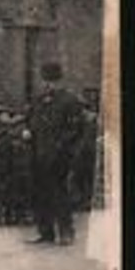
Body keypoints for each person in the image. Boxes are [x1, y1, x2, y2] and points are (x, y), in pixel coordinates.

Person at [27, 61, 85, 246]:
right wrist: (28, 131)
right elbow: (32, 121)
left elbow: (75, 129)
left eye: (52, 81)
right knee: (41, 193)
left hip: (59, 156)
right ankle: (46, 233)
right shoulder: (39, 100)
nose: (48, 85)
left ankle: (66, 232)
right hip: (38, 153)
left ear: (59, 80)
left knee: (59, 193)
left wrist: (61, 147)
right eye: (45, 80)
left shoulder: (70, 100)